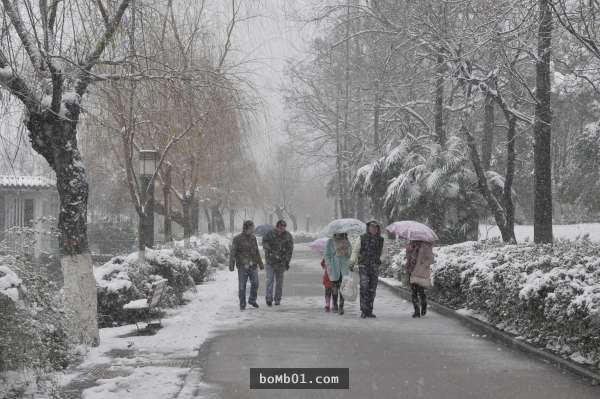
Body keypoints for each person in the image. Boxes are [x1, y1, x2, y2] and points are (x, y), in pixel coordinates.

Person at [350, 220, 384, 318]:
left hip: (374, 267)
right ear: (368, 228)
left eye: (375, 227)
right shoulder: (362, 238)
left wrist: (380, 260)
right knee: (364, 288)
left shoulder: (381, 240)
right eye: (371, 227)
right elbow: (355, 251)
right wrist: (352, 262)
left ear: (378, 229)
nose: (373, 229)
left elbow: (384, 253)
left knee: (372, 289)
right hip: (363, 266)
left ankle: (370, 310)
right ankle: (364, 310)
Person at [229, 220, 264, 311]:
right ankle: (242, 303)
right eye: (252, 227)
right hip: (242, 266)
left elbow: (256, 252)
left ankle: (252, 300)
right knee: (242, 286)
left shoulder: (253, 238)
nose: (253, 229)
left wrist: (260, 263)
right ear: (247, 228)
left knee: (255, 283)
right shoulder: (237, 239)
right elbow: (233, 252)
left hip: (253, 265)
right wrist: (231, 264)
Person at [262, 219, 294, 306]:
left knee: (279, 282)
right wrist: (270, 250)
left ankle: (277, 299)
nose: (281, 229)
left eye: (283, 227)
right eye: (280, 227)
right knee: (270, 280)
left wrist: (287, 260)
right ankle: (269, 298)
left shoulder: (288, 236)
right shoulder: (270, 234)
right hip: (270, 261)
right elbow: (264, 242)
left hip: (281, 262)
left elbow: (290, 250)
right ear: (277, 227)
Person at [324, 232, 352, 315]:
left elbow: (350, 253)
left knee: (343, 288)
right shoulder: (330, 242)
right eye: (337, 233)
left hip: (344, 268)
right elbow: (326, 255)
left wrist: (346, 251)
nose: (339, 235)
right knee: (334, 288)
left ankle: (341, 306)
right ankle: (335, 304)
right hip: (333, 268)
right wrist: (329, 265)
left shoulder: (346, 241)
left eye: (341, 233)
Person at [405, 240, 434, 318]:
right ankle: (416, 311)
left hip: (420, 272)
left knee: (421, 291)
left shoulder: (425, 246)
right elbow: (408, 259)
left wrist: (423, 265)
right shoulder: (411, 246)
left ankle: (424, 305)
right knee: (414, 292)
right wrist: (408, 251)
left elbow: (431, 259)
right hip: (412, 271)